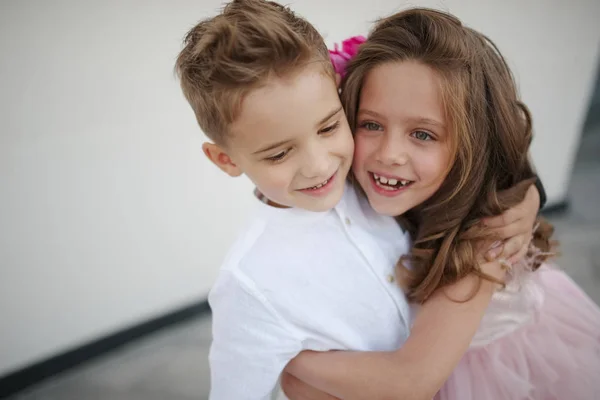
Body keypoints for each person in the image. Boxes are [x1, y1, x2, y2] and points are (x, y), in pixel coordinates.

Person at [174, 1, 543, 398]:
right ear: (225, 159)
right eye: (280, 153)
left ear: (338, 96)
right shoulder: (250, 283)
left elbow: (413, 379)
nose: (318, 166)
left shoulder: (390, 186)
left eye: (330, 127)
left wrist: (295, 363)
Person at [281, 8, 600, 400]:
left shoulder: (485, 238)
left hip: (479, 372)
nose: (390, 153)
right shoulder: (350, 181)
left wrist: (281, 353)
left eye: (422, 134)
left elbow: (411, 382)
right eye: (371, 124)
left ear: (473, 147)